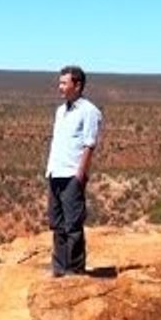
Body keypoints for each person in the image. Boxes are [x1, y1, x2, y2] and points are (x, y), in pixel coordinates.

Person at [45, 65, 102, 277]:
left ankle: (75, 270)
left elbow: (90, 144)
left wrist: (81, 175)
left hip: (71, 175)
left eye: (64, 83)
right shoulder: (61, 111)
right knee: (57, 223)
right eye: (59, 83)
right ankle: (59, 269)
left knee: (73, 226)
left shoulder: (89, 111)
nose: (60, 87)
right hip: (55, 173)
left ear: (77, 85)